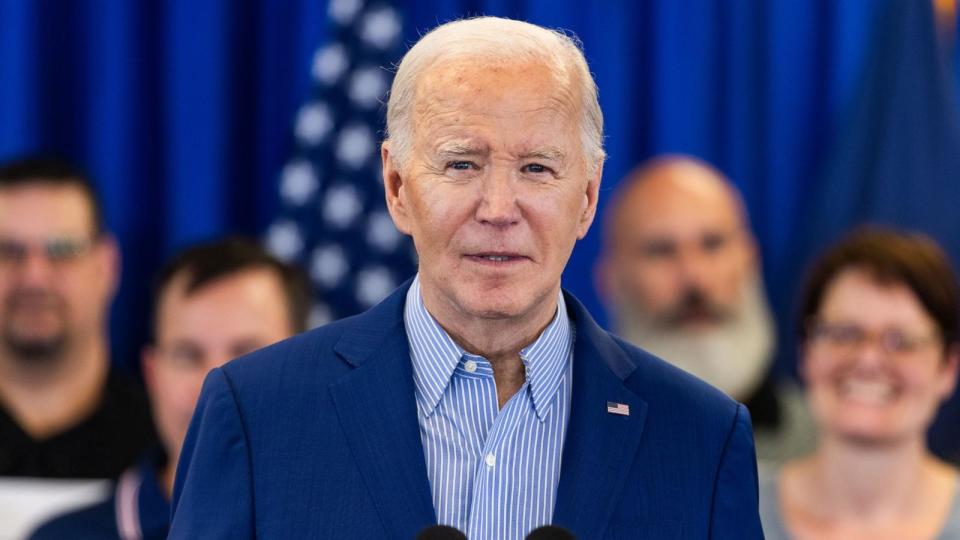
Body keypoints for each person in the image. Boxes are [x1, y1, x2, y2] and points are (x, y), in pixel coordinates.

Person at [170, 17, 763, 539]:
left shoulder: (701, 438)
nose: (499, 208)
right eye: (461, 164)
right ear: (397, 186)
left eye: (536, 168)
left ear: (587, 197)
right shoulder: (256, 413)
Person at [30, 238, 310, 539]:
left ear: (306, 371)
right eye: (187, 355)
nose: (213, 388)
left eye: (248, 354)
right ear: (152, 375)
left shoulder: (358, 523)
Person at [596, 155, 815, 463]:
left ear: (750, 260)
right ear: (611, 279)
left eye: (712, 244)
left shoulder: (826, 444)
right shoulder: (572, 448)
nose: (694, 277)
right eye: (661, 251)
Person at [759, 226, 960, 539]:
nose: (867, 360)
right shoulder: (730, 510)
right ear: (805, 352)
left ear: (948, 367)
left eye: (901, 341)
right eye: (843, 334)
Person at [0, 156, 154, 479]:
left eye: (62, 250)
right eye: (8, 251)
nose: (34, 278)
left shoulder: (164, 450)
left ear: (107, 266)